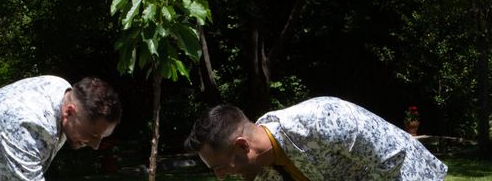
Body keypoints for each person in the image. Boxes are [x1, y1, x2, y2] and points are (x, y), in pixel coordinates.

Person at [184, 96, 447, 181]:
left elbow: (393, 159)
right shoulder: (263, 171)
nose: (219, 177)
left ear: (243, 146)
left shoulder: (323, 120)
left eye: (218, 167)